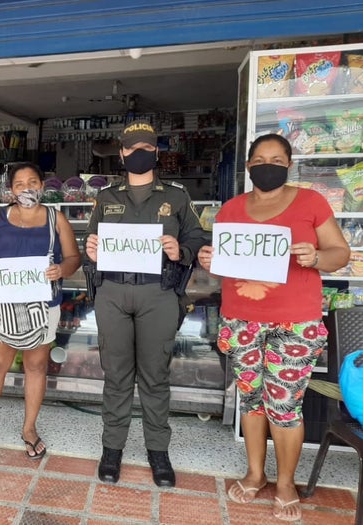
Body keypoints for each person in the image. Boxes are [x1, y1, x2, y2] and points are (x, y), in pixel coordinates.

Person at [197, 133, 350, 522]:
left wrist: (316, 256)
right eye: (261, 160)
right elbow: (224, 266)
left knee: (284, 406)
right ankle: (255, 473)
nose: (269, 166)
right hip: (241, 318)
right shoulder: (230, 210)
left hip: (294, 323)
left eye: (278, 160)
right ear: (249, 166)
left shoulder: (310, 202)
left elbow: (340, 254)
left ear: (289, 165)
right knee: (251, 401)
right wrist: (209, 260)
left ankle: (285, 483)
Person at [84, 120, 210, 487]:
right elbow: (91, 239)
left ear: (156, 152)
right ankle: (112, 449)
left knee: (155, 376)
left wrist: (180, 249)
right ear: (122, 154)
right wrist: (91, 249)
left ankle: (158, 451)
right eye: (132, 148)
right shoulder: (106, 197)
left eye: (146, 148)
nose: (139, 153)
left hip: (158, 292)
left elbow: (197, 237)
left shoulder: (177, 196)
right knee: (116, 375)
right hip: (113, 292)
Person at [0, 161, 81, 461]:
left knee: (36, 367)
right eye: (19, 184)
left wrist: (61, 269)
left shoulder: (56, 218)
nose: (26, 188)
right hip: (5, 303)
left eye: (32, 182)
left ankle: (29, 429)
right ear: (11, 190)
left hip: (44, 305)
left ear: (42, 186)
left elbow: (74, 257)